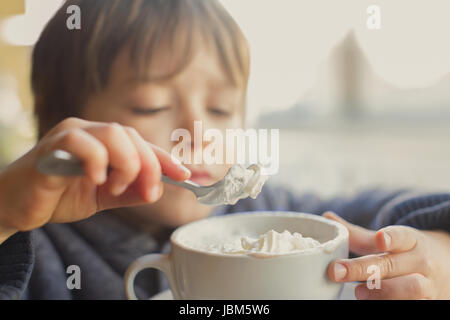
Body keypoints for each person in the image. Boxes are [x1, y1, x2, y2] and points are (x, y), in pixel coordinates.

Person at [0, 0, 449, 300]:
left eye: (220, 109)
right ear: (61, 123)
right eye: (150, 105)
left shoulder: (267, 212)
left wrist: (436, 250)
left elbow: (385, 215)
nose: (197, 131)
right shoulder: (34, 244)